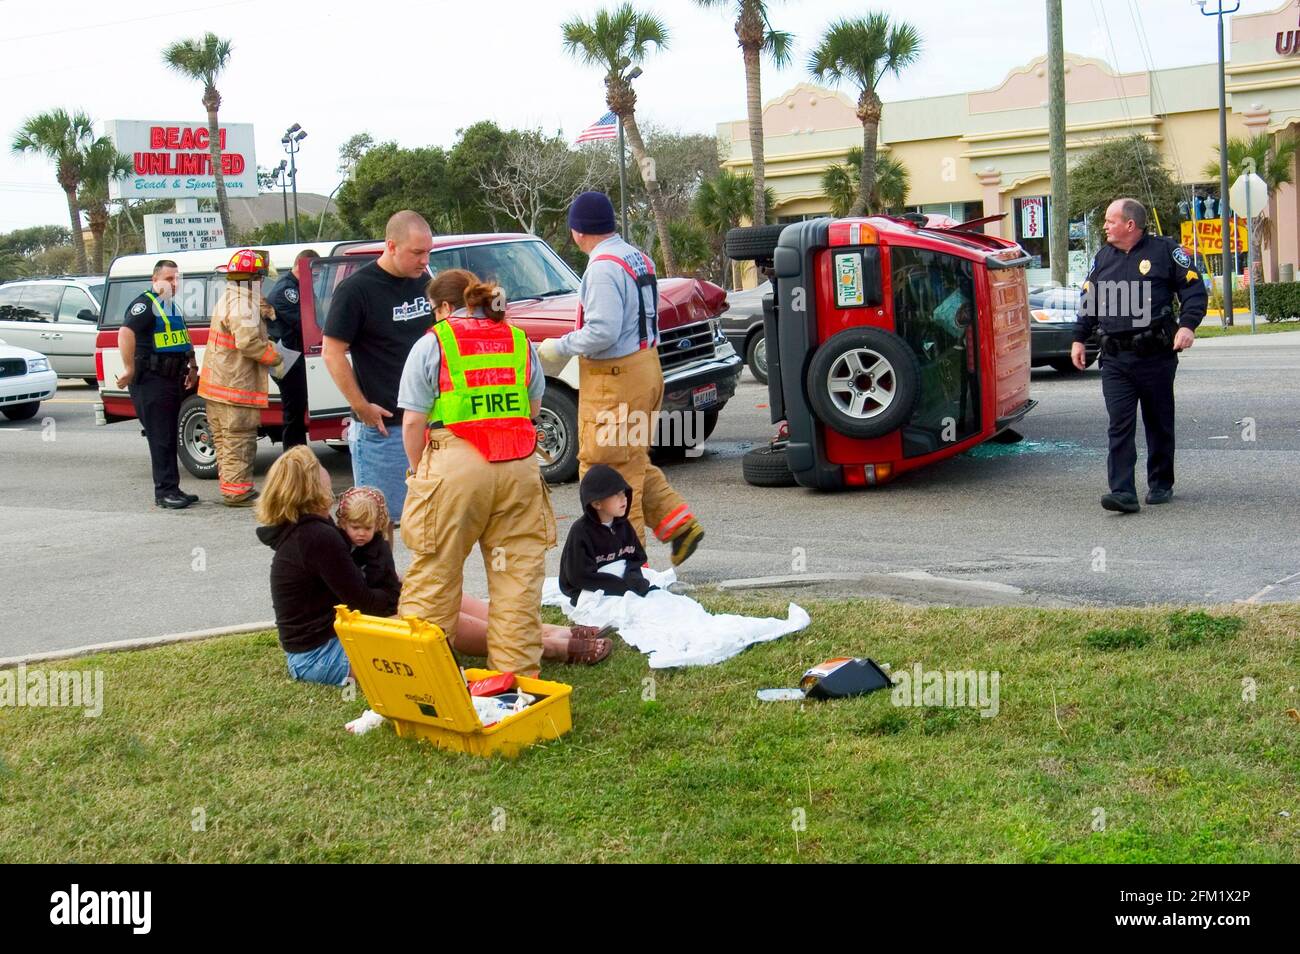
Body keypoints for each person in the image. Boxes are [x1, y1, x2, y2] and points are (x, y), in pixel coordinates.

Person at [396, 273, 557, 677]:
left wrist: (420, 472)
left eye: (435, 311)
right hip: (518, 466)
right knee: (516, 580)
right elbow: (533, 410)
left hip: (455, 465)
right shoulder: (518, 340)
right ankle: (516, 681)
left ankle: (425, 679)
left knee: (436, 573)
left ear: (445, 307)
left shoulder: (433, 342)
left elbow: (414, 422)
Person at [536, 191, 704, 566]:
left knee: (606, 474)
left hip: (614, 379)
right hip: (645, 369)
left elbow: (602, 332)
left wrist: (559, 347)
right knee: (631, 461)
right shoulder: (636, 257)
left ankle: (628, 565)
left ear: (578, 231)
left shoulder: (601, 267)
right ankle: (679, 526)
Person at [1072, 197, 1206, 513]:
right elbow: (1088, 299)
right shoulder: (1103, 258)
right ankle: (1122, 492)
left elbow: (1194, 290)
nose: (1104, 225)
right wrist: (1079, 338)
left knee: (1158, 422)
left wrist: (1187, 326)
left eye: (1110, 220)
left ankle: (1160, 482)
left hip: (1156, 356)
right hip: (1116, 359)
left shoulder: (1165, 251)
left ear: (1130, 224)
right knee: (1119, 423)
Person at [323, 210, 434, 525]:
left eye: (428, 252)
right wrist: (361, 407)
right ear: (391, 245)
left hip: (426, 424)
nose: (424, 260)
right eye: (417, 252)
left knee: (426, 524)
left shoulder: (424, 281)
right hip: (383, 432)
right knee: (377, 527)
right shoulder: (356, 290)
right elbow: (332, 353)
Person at [255, 446, 399, 686]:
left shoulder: (310, 528)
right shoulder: (315, 536)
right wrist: (397, 595)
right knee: (428, 614)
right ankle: (485, 645)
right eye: (319, 466)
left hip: (328, 641)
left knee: (429, 599)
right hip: (318, 655)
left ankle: (486, 640)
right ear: (312, 484)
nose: (326, 471)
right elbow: (365, 603)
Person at [199, 248, 283, 506]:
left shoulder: (232, 297)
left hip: (219, 387)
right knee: (239, 441)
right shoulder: (242, 304)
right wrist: (275, 358)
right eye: (260, 278)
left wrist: (265, 308)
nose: (262, 282)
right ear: (253, 278)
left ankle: (232, 489)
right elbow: (247, 343)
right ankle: (237, 493)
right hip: (235, 388)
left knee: (225, 441)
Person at [115, 259, 199, 509]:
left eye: (177, 278)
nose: (174, 283)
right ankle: (164, 492)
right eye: (169, 278)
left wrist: (192, 366)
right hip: (151, 380)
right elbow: (125, 332)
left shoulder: (170, 307)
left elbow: (183, 338)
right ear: (155, 281)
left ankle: (173, 488)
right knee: (160, 436)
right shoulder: (145, 304)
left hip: (171, 379)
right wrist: (129, 369)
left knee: (169, 435)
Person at [559, 464, 656, 602]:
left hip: (622, 584)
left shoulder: (624, 525)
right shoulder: (581, 532)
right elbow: (578, 577)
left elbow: (636, 558)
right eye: (616, 494)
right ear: (597, 504)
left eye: (624, 492)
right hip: (589, 588)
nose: (624, 498)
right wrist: (621, 587)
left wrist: (632, 579)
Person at [266, 249, 318, 448]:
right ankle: (293, 457)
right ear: (302, 266)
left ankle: (298, 454)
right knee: (293, 412)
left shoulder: (297, 287)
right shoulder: (287, 290)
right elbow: (305, 323)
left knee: (296, 409)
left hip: (292, 357)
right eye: (312, 270)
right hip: (286, 359)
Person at [335, 486, 401, 604]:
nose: (361, 533)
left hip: (376, 601)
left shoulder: (380, 548)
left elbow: (389, 585)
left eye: (368, 528)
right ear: (344, 523)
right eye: (355, 527)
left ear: (376, 525)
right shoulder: (337, 542)